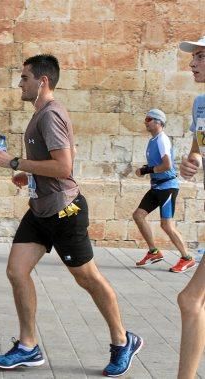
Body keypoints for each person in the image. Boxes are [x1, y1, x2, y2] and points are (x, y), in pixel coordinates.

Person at [0, 54, 142, 376]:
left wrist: (15, 162)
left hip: (65, 211)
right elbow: (50, 168)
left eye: (24, 78)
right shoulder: (40, 115)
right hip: (40, 210)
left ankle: (122, 340)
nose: (20, 83)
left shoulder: (50, 115)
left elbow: (64, 167)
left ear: (42, 81)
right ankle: (28, 347)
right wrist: (29, 177)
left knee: (86, 277)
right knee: (17, 272)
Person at [133, 108, 194, 272]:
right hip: (157, 186)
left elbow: (167, 165)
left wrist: (146, 171)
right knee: (138, 215)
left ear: (158, 122)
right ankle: (153, 252)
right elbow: (158, 163)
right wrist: (146, 168)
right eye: (145, 119)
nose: (145, 122)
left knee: (167, 225)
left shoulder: (162, 140)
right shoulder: (153, 141)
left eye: (148, 119)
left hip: (167, 187)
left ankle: (187, 258)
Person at [177, 35, 205, 379]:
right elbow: (199, 146)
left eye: (199, 56)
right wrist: (193, 160)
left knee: (190, 300)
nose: (192, 63)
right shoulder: (200, 104)